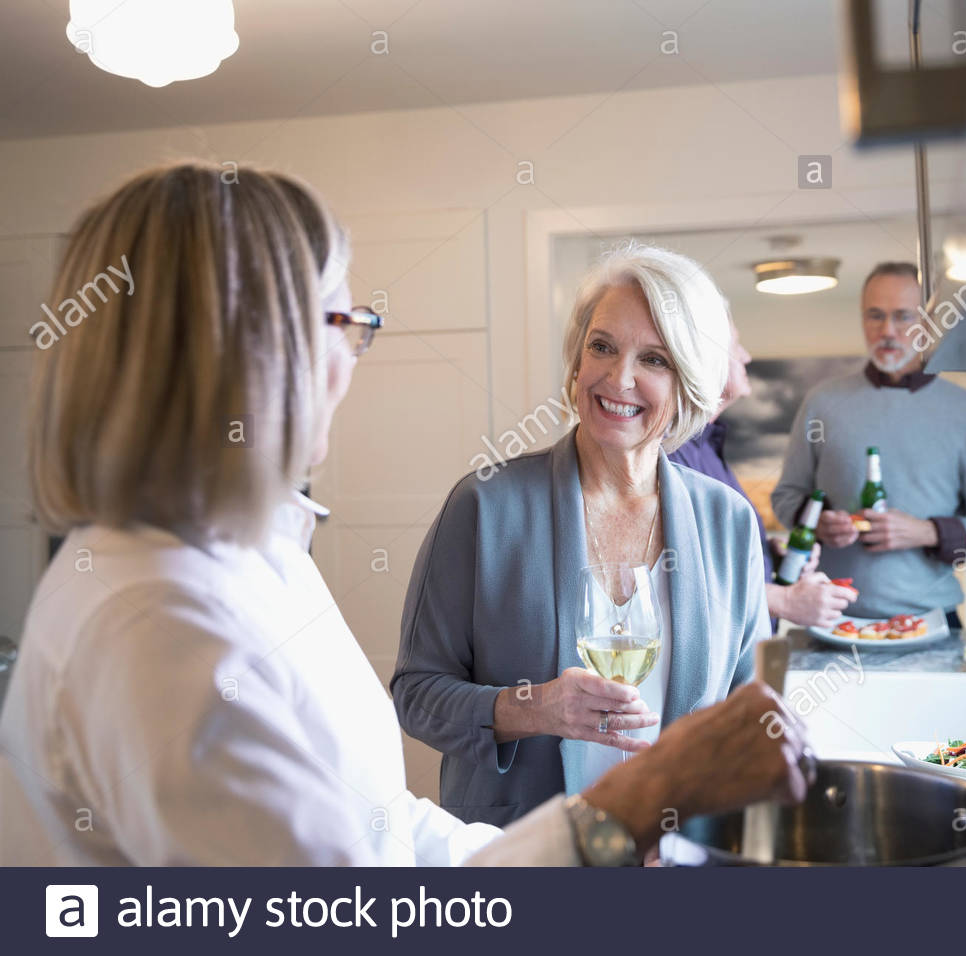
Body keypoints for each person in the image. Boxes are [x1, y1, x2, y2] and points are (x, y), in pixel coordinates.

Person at [0, 163, 812, 866]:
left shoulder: (262, 559)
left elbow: (384, 829)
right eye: (341, 324)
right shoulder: (161, 628)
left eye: (656, 358)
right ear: (244, 348)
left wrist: (619, 830)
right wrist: (627, 805)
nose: (351, 362)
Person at [392, 243, 771, 827]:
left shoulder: (728, 522)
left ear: (689, 380)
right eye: (602, 347)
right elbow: (416, 695)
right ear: (576, 360)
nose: (619, 378)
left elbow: (748, 714)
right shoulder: (486, 505)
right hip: (519, 852)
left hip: (670, 851)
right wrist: (533, 707)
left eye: (655, 359)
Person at [771, 262, 966, 628]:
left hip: (932, 622)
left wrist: (927, 531)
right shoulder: (822, 402)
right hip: (832, 620)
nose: (887, 331)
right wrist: (819, 523)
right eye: (875, 316)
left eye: (903, 317)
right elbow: (787, 497)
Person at [670, 320, 855, 629]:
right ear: (704, 359)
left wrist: (768, 557)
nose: (746, 357)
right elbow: (680, 575)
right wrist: (784, 600)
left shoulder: (708, 444)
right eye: (735, 346)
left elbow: (716, 552)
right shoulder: (672, 451)